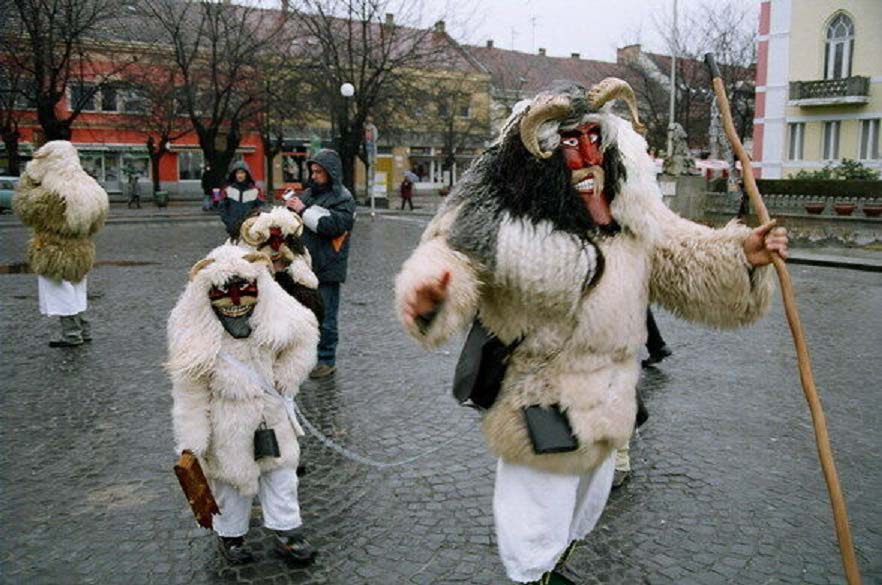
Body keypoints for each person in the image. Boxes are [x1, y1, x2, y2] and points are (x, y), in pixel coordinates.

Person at [394, 78, 788, 584]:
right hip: (539, 401)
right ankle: (532, 576)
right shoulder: (501, 221)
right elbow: (449, 256)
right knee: (535, 518)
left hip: (611, 400)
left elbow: (684, 253)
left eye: (593, 139)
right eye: (567, 141)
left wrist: (742, 255)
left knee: (584, 508)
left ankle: (551, 567)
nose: (585, 155)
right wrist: (431, 294)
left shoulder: (630, 216)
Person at [168, 245, 319, 565]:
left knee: (281, 474)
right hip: (226, 421)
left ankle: (287, 530)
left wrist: (287, 376)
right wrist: (193, 441)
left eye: (244, 290)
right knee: (229, 482)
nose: (235, 301)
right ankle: (230, 535)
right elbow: (189, 394)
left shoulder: (274, 312)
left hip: (270, 412)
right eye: (224, 292)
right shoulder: (194, 334)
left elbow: (305, 332)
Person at [13, 141, 108, 347]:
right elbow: (97, 223)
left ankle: (71, 334)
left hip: (54, 249)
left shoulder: (51, 193)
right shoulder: (91, 187)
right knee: (77, 290)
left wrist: (28, 179)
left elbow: (25, 210)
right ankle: (83, 329)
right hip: (81, 248)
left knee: (61, 292)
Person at [284, 149, 356, 379]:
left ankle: (326, 360)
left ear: (330, 173)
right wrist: (290, 207)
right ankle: (305, 358)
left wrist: (302, 210)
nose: (313, 176)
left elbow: (330, 226)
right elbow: (297, 218)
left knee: (326, 318)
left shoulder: (343, 199)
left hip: (328, 267)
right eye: (312, 171)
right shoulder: (310, 194)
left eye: (318, 172)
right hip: (304, 265)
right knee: (302, 315)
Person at [218, 160, 265, 232]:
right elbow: (222, 208)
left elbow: (261, 208)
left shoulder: (255, 190)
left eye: (242, 173)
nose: (240, 175)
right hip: (233, 228)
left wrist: (255, 221)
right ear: (234, 175)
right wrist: (228, 222)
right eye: (238, 173)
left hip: (250, 228)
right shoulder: (228, 190)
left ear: (247, 174)